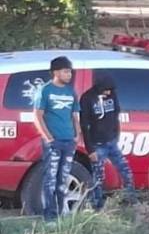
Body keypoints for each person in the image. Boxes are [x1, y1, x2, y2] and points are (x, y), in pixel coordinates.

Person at [32, 56, 80, 221]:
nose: (69, 75)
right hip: (53, 142)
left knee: (63, 179)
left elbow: (75, 115)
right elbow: (37, 116)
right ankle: (49, 217)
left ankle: (61, 214)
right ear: (56, 72)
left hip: (69, 142)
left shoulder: (71, 91)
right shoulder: (45, 90)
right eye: (66, 71)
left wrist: (77, 135)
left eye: (70, 71)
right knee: (50, 179)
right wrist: (48, 138)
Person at [79, 75, 138, 210]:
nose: (109, 93)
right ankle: (97, 205)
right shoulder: (87, 98)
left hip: (111, 142)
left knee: (126, 171)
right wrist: (90, 149)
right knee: (98, 177)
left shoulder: (112, 95)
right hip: (97, 144)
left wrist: (116, 135)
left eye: (111, 90)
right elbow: (84, 125)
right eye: (106, 90)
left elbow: (116, 114)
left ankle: (132, 200)